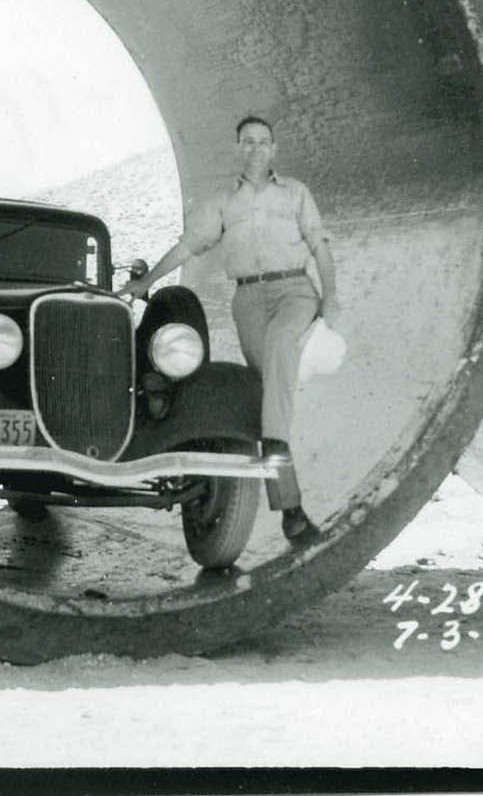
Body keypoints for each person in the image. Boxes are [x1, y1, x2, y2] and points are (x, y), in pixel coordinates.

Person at [118, 115, 338, 542]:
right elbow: (187, 245)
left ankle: (290, 509)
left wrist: (331, 297)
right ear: (239, 149)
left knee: (278, 352)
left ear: (274, 149)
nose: (256, 148)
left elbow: (320, 245)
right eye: (248, 142)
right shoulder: (222, 202)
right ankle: (284, 488)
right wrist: (146, 282)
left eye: (263, 141)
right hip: (248, 299)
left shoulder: (295, 194)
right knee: (265, 387)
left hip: (295, 290)